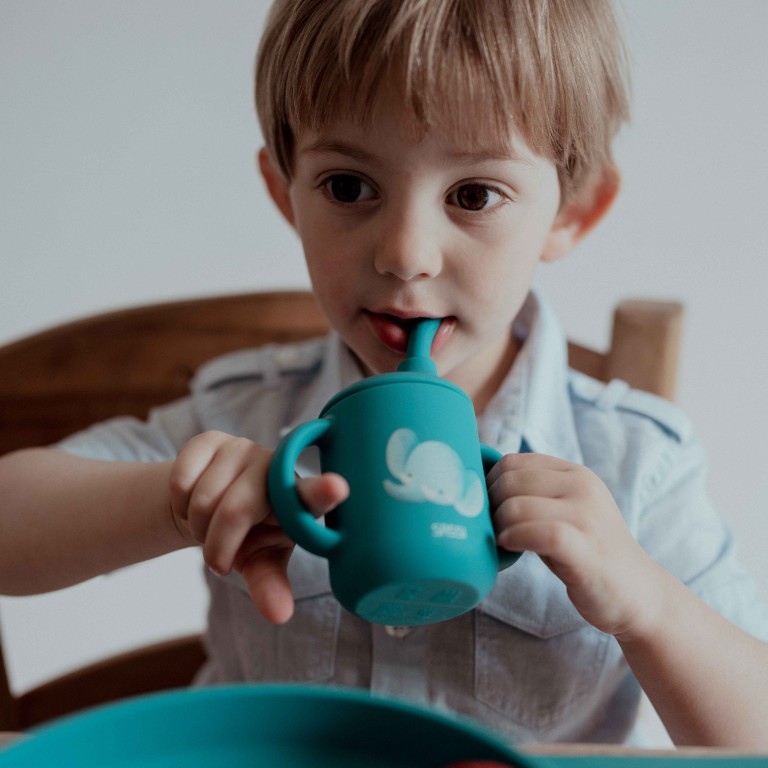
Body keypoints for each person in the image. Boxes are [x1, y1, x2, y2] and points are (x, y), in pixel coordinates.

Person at [2, 0, 768, 749]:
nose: (404, 253)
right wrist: (170, 502)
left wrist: (649, 606)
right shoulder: (242, 413)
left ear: (571, 212)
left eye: (473, 195)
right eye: (347, 187)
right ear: (284, 192)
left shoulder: (636, 464)